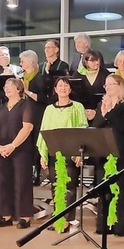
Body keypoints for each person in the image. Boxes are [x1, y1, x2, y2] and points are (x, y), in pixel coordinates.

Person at [37, 77, 89, 233]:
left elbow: (82, 129)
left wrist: (80, 152)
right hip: (55, 152)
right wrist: (43, 155)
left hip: (71, 152)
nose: (63, 88)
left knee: (70, 187)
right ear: (55, 89)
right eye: (60, 85)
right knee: (56, 186)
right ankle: (58, 217)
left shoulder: (77, 107)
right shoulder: (49, 109)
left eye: (66, 85)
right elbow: (44, 131)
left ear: (70, 89)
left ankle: (67, 219)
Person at [92, 74, 124, 236]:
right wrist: (103, 112)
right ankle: (103, 225)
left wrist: (109, 113)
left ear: (119, 85)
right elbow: (96, 126)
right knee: (103, 190)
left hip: (121, 152)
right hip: (103, 152)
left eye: (111, 84)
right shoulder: (101, 104)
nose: (108, 87)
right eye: (106, 85)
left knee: (120, 190)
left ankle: (119, 226)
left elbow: (123, 127)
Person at [0, 78, 35, 229]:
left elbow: (27, 127)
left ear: (19, 89)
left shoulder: (26, 105)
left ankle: (24, 216)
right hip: (2, 150)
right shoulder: (1, 108)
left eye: (11, 86)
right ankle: (6, 215)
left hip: (21, 150)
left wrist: (13, 145)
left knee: (21, 182)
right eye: (6, 86)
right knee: (3, 182)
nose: (7, 88)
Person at [20, 49, 48, 185]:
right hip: (25, 113)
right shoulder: (22, 78)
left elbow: (43, 99)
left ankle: (36, 174)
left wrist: (27, 91)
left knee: (36, 143)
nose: (20, 64)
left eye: (22, 61)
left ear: (31, 62)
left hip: (37, 114)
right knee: (26, 143)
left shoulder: (39, 78)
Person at [73, 49, 109, 117]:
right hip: (81, 110)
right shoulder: (77, 74)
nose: (97, 63)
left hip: (101, 110)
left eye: (98, 60)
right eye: (93, 61)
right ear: (86, 62)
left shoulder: (105, 73)